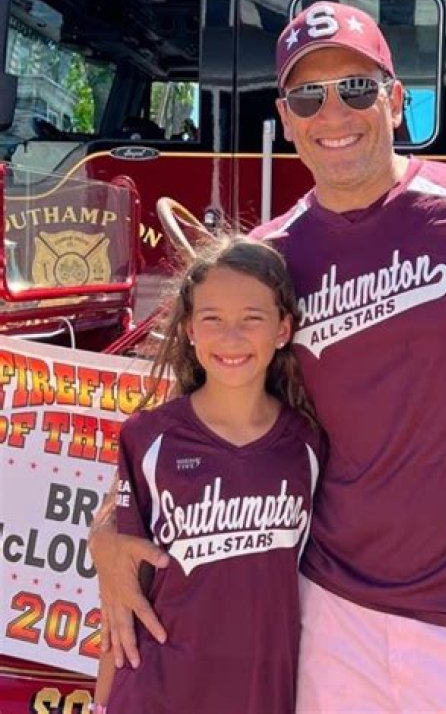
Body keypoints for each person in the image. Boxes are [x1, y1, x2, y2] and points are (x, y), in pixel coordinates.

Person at [90, 1, 446, 712]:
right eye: (307, 96)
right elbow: (194, 417)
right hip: (332, 618)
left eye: (356, 88)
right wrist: (109, 529)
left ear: (395, 100)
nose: (333, 114)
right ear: (285, 118)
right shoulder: (271, 259)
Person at [91, 235, 323, 713]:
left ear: (283, 329)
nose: (231, 337)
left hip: (262, 696)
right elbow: (122, 599)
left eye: (252, 318)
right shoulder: (149, 438)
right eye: (212, 318)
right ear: (189, 329)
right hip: (157, 695)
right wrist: (100, 705)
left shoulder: (306, 444)